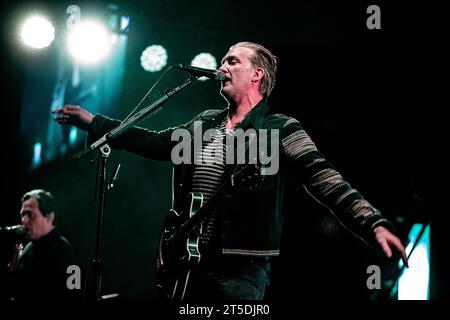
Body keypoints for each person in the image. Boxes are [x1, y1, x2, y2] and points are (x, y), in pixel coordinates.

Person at [53, 41, 408, 301]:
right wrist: (95, 123)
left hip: (240, 271)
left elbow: (325, 178)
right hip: (186, 265)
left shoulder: (280, 129)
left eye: (232, 61)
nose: (222, 66)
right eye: (222, 60)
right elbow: (153, 143)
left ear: (257, 75)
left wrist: (372, 222)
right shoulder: (204, 124)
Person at [7, 189, 78, 301]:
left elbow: (73, 293)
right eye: (22, 214)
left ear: (50, 217)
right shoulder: (29, 247)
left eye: (30, 214)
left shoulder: (64, 250)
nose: (24, 220)